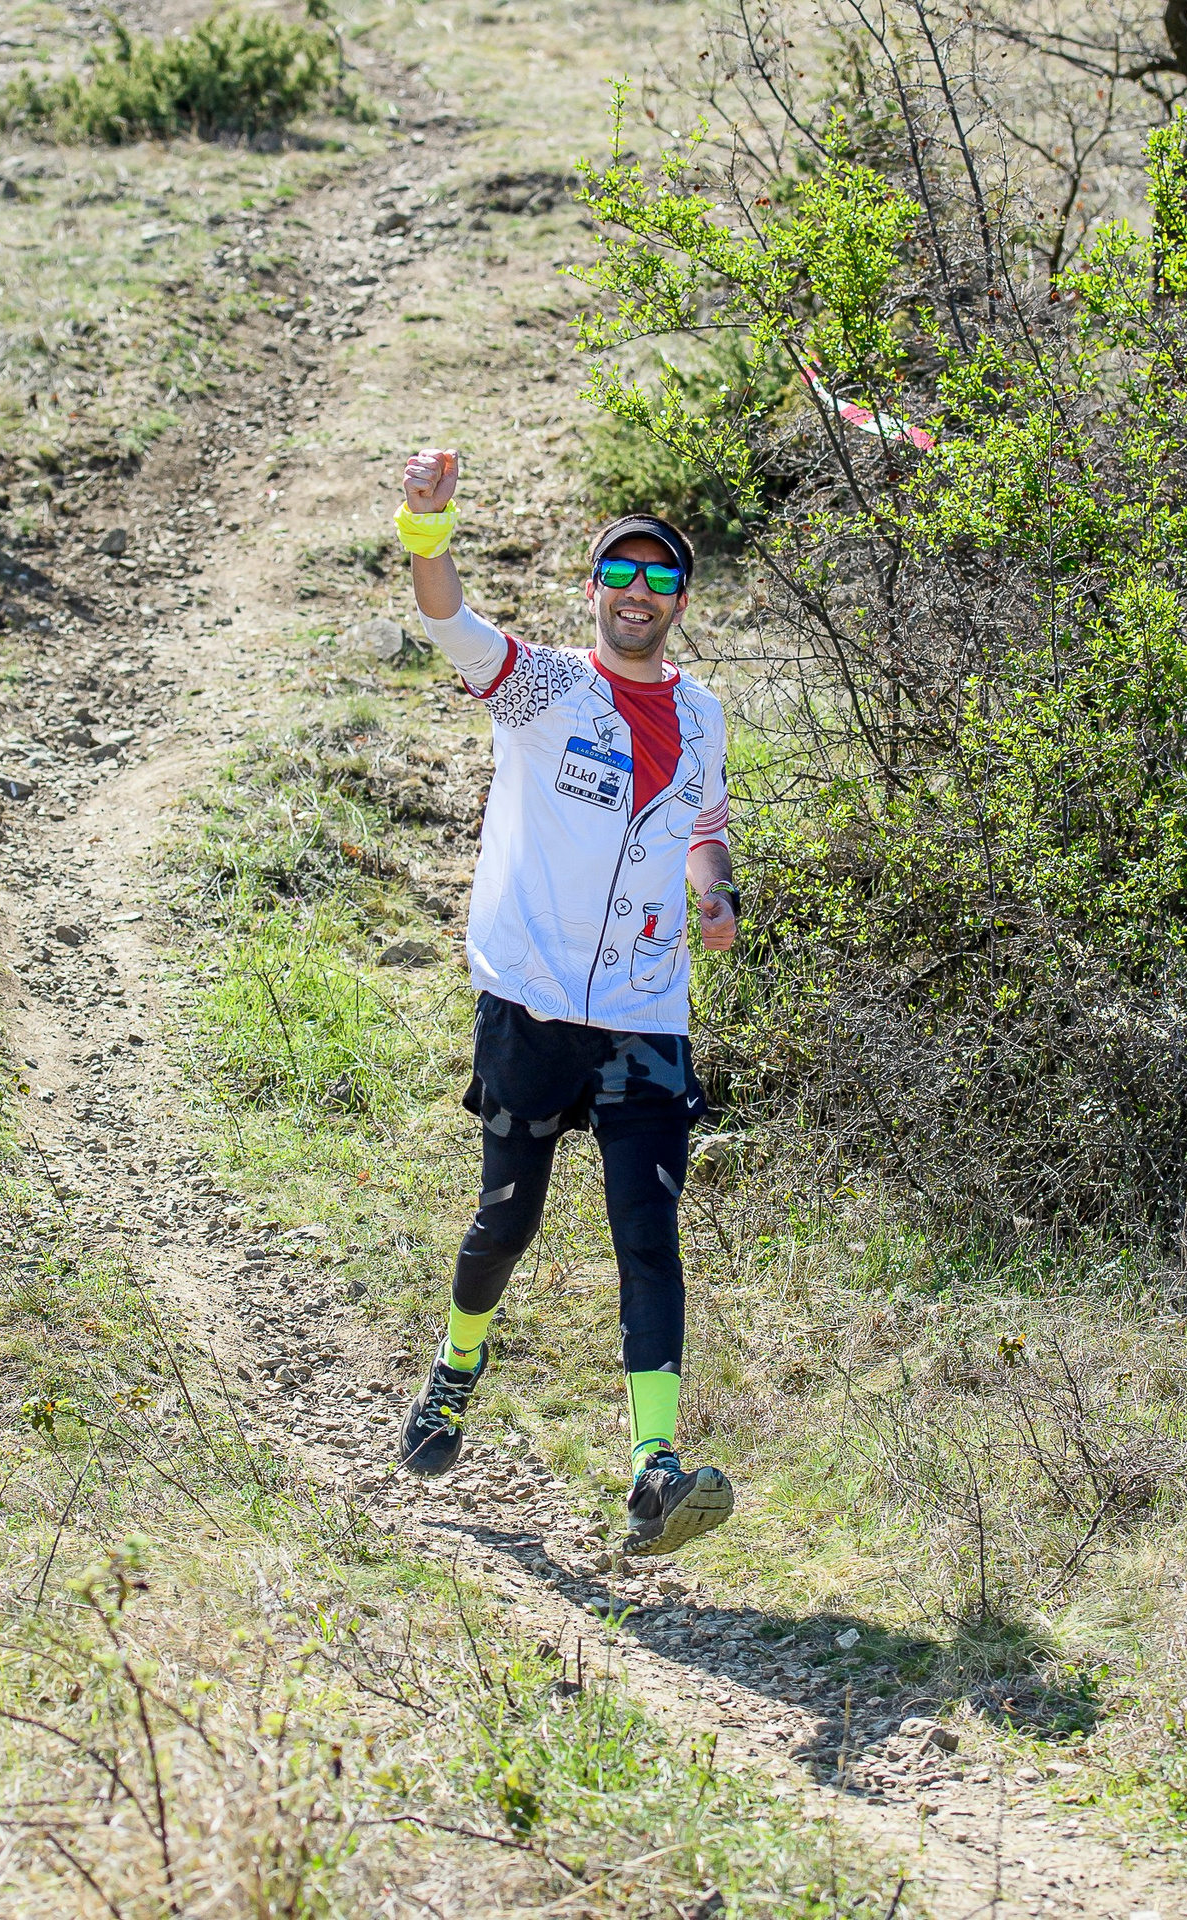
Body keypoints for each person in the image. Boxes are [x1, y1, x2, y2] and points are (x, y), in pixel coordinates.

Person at [390, 446, 741, 1557]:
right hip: (530, 998)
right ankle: (455, 1368)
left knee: (649, 1232)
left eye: (661, 581)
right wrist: (424, 523)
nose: (639, 596)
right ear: (593, 589)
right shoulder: (542, 685)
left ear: (680, 602)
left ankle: (653, 1467)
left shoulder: (705, 716)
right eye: (620, 577)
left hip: (645, 1011)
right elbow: (446, 618)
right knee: (510, 1218)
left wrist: (716, 895)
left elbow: (702, 826)